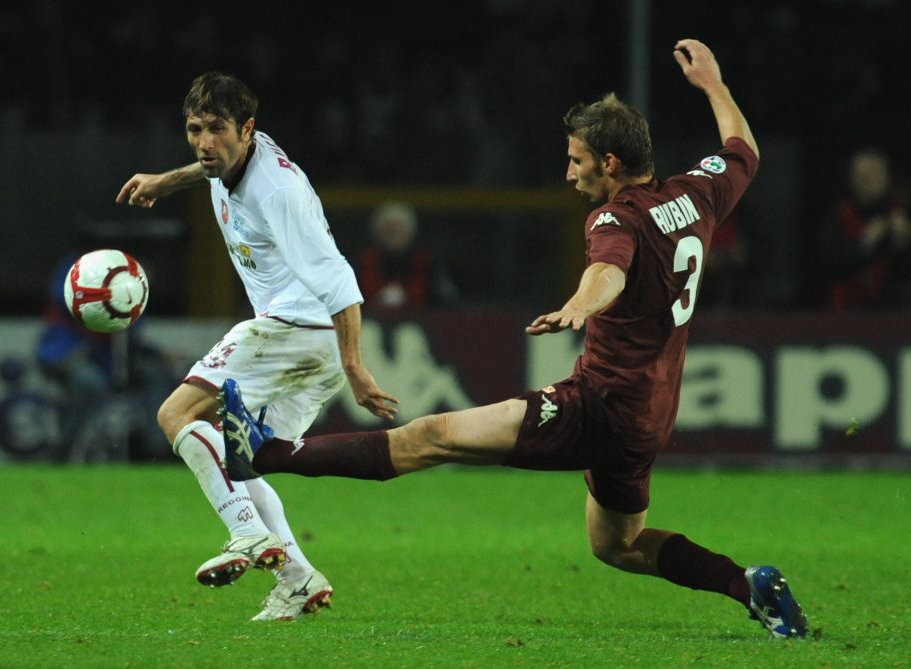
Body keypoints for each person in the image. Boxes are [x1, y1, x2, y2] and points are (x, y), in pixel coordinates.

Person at [220, 39, 808, 638]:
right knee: (619, 545)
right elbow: (743, 151)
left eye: (576, 159)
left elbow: (610, 271)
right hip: (650, 412)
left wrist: (579, 306)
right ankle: (748, 584)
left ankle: (266, 454)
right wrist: (713, 86)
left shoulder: (614, 218)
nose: (568, 171)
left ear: (609, 163)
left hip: (598, 406)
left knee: (434, 436)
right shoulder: (695, 193)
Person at [115, 72, 398, 621]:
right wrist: (163, 182)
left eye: (216, 129)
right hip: (306, 341)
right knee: (242, 460)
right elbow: (207, 169)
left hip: (297, 329)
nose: (204, 143)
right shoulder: (233, 158)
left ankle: (245, 531)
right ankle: (295, 579)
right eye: (194, 129)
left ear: (248, 129)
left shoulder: (279, 192)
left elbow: (339, 278)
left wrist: (356, 366)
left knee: (175, 413)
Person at [36, 251, 175, 462]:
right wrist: (105, 292)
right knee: (89, 382)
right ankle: (65, 452)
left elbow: (132, 336)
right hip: (70, 351)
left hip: (113, 357)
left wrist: (156, 354)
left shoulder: (131, 282)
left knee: (157, 373)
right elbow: (66, 299)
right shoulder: (73, 268)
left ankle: (158, 453)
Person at [817, 147, 911, 309]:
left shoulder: (902, 215)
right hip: (847, 315)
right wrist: (864, 242)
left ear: (887, 177)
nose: (867, 181)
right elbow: (827, 266)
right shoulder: (839, 215)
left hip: (896, 315)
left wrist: (902, 243)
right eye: (861, 175)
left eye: (873, 174)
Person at [358, 201, 458, 309]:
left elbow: (444, 300)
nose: (394, 234)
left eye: (399, 230)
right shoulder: (363, 261)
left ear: (410, 231)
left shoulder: (428, 261)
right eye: (389, 230)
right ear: (378, 232)